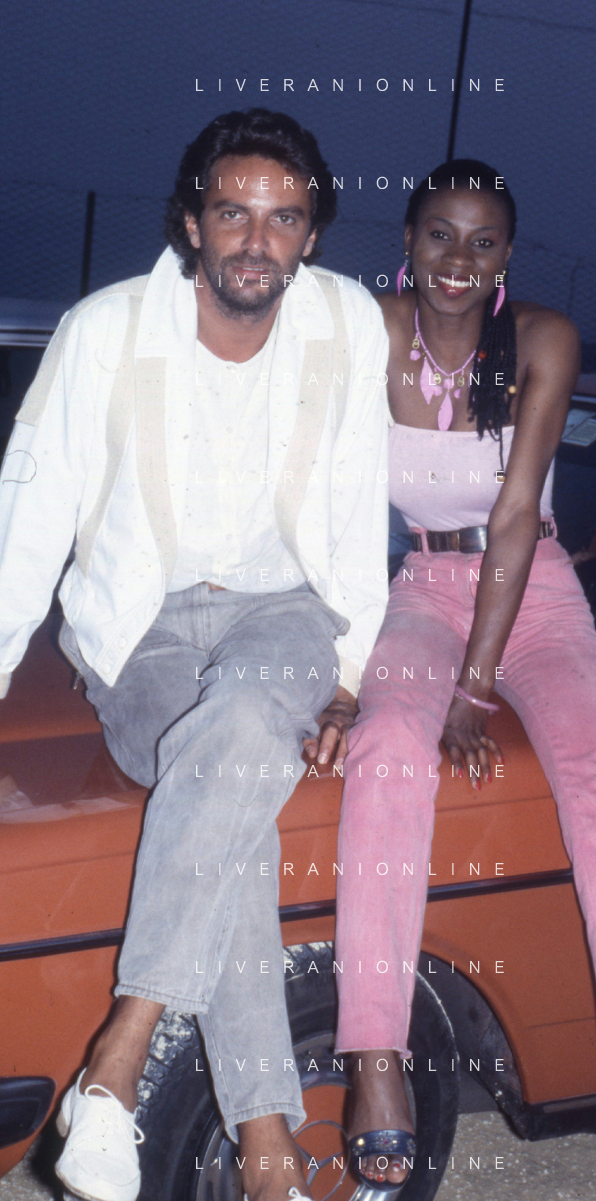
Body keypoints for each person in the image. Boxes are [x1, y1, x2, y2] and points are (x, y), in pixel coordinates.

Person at [332, 160, 596, 1201]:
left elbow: (518, 514)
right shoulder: (368, 329)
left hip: (540, 596)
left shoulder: (542, 339)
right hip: (421, 587)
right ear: (408, 239)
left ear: (507, 257)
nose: (458, 258)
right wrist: (343, 668)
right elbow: (327, 496)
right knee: (385, 748)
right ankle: (376, 1054)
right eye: (440, 234)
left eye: (482, 241)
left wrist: (474, 691)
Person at [0, 108, 390, 1201]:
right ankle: (266, 1139)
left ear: (312, 234)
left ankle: (119, 1057)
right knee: (233, 797)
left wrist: (350, 674)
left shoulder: (347, 322)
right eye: (233, 214)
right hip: (140, 628)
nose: (257, 241)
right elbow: (30, 517)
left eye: (284, 218)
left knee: (245, 724)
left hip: (285, 613)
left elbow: (361, 505)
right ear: (191, 223)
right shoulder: (106, 331)